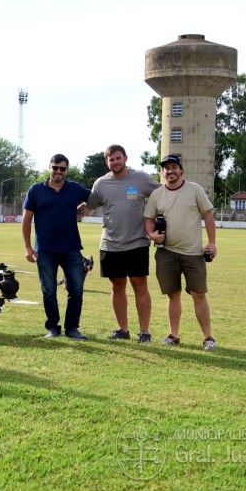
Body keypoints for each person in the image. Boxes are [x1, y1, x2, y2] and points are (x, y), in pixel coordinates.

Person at [84, 145, 161, 343]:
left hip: (137, 241)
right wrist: (62, 209)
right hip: (110, 243)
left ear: (125, 158)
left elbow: (163, 194)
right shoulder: (101, 183)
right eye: (111, 160)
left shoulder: (141, 178)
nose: (115, 162)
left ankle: (144, 332)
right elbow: (88, 207)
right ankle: (122, 330)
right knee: (117, 286)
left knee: (139, 284)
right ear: (107, 162)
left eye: (118, 158)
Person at [143, 154, 218, 350]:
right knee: (173, 295)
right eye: (166, 168)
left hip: (193, 253)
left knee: (198, 294)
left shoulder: (195, 190)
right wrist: (151, 235)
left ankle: (208, 337)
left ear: (181, 170)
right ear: (163, 172)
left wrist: (212, 243)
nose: (170, 171)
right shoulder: (157, 194)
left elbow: (208, 216)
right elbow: (148, 219)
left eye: (174, 167)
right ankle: (173, 335)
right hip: (166, 253)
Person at [22, 154, 92, 340]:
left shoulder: (74, 188)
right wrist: (28, 248)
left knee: (76, 290)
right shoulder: (36, 190)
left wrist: (82, 211)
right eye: (55, 167)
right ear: (49, 167)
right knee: (48, 291)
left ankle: (72, 328)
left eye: (62, 168)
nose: (58, 171)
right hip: (45, 250)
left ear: (67, 170)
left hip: (71, 248)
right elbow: (27, 219)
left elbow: (96, 198)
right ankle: (53, 327)